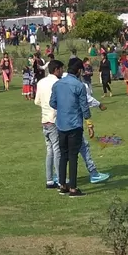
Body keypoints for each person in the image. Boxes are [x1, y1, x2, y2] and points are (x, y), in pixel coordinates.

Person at [49, 61, 91, 196]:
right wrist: (89, 122)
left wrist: (63, 108)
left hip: (61, 124)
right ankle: (73, 187)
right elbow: (84, 107)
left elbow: (52, 102)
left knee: (63, 155)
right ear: (78, 71)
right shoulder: (79, 85)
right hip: (74, 124)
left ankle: (62, 185)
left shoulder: (57, 84)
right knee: (73, 156)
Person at [35, 59, 64, 191]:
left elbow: (37, 101)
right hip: (55, 120)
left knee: (50, 150)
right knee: (57, 150)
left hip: (44, 119)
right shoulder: (58, 83)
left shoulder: (41, 82)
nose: (62, 72)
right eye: (61, 69)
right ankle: (60, 179)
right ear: (56, 69)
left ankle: (49, 179)